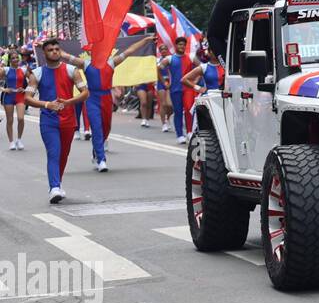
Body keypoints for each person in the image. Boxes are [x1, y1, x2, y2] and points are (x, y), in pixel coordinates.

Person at [61, 35, 153, 171]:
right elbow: (66, 56)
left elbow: (129, 51)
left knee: (106, 128)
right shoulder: (85, 64)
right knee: (96, 128)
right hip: (92, 98)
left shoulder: (111, 62)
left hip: (106, 98)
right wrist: (44, 48)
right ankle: (101, 159)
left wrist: (145, 41)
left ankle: (96, 151)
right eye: (94, 51)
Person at [24, 38, 89, 203]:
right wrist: (47, 104)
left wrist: (68, 102)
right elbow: (27, 99)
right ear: (44, 53)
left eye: (56, 49)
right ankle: (54, 187)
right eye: (50, 49)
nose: (54, 51)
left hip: (68, 120)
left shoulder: (72, 70)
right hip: (48, 120)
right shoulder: (36, 73)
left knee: (63, 154)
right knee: (54, 152)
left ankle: (56, 184)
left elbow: (85, 93)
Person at [161, 36, 198, 143]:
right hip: (175, 89)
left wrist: (195, 80)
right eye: (180, 44)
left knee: (188, 109)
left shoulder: (191, 57)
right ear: (176, 46)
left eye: (184, 44)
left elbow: (202, 68)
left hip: (188, 89)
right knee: (177, 111)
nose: (182, 46)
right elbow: (158, 69)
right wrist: (164, 82)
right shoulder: (169, 59)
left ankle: (190, 132)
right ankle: (180, 134)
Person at [2, 49, 26, 150]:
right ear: (10, 60)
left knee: (21, 118)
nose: (15, 60)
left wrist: (24, 89)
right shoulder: (5, 70)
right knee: (10, 120)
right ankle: (11, 142)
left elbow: (33, 82)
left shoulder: (24, 70)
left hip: (20, 96)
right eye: (13, 58)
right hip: (8, 97)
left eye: (17, 58)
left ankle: (19, 140)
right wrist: (4, 89)